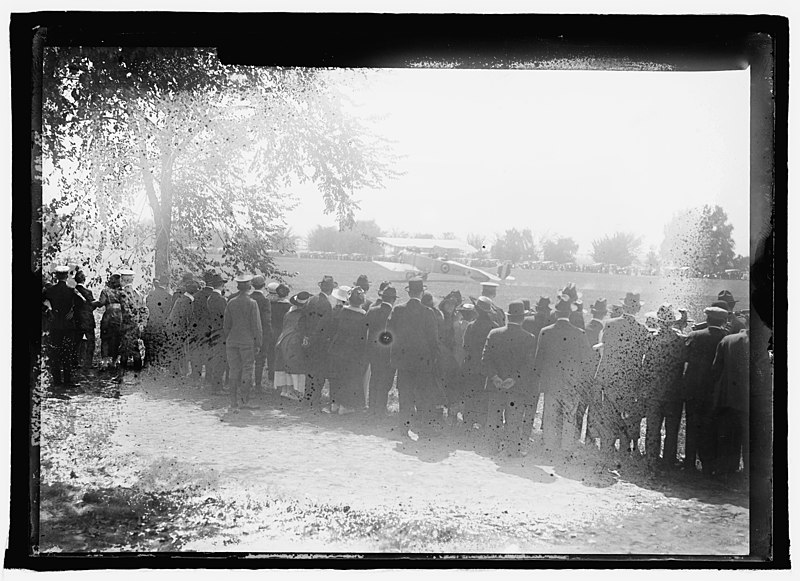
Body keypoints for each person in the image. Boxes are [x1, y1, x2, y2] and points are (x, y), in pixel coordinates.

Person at [532, 297, 595, 454]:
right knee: (569, 417)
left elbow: (539, 359)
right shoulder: (579, 333)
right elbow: (587, 360)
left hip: (551, 383)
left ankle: (548, 446)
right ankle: (566, 448)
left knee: (550, 416)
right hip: (571, 384)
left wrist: (539, 378)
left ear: (556, 312)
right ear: (570, 313)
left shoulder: (545, 332)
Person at [593, 292, 652, 455]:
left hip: (611, 376)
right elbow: (642, 355)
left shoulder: (610, 324)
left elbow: (604, 351)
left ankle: (607, 447)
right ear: (638, 309)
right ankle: (625, 449)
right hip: (630, 379)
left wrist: (600, 376)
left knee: (609, 412)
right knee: (626, 414)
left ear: (624, 307)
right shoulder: (642, 329)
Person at [387, 277, 444, 436]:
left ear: (409, 291)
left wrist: (394, 356)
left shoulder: (398, 310)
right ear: (422, 292)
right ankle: (423, 429)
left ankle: (403, 429)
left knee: (405, 397)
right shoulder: (428, 312)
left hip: (403, 363)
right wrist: (434, 359)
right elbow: (434, 341)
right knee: (423, 397)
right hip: (423, 364)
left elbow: (389, 335)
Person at [482, 301, 537, 456]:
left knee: (494, 418)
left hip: (495, 385)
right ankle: (512, 450)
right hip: (516, 388)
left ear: (507, 316)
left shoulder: (494, 333)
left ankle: (492, 448)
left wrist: (494, 377)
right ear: (522, 318)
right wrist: (514, 379)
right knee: (514, 420)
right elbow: (528, 365)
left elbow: (485, 359)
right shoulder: (529, 338)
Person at [682, 304, 730, 474]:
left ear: (707, 319)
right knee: (710, 428)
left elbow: (684, 358)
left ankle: (688, 462)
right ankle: (708, 464)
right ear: (724, 321)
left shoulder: (695, 335)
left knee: (692, 425)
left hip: (693, 389)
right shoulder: (726, 338)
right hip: (714, 392)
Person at [641, 304, 687, 467]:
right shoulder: (681, 340)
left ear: (659, 321)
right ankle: (668, 460)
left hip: (654, 390)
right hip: (674, 391)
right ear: (673, 322)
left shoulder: (651, 338)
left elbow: (646, 365)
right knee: (672, 429)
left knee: (653, 428)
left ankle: (651, 458)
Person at [711, 325, 749, 480]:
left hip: (727, 397)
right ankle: (748, 473)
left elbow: (715, 369)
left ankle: (724, 470)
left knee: (726, 435)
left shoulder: (727, 340)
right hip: (749, 398)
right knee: (749, 437)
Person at [223, 275, 263, 411]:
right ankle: (244, 401)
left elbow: (226, 325)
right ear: (249, 287)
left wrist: (230, 338)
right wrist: (258, 343)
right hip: (247, 342)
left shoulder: (231, 302)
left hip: (232, 341)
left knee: (234, 370)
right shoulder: (252, 303)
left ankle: (233, 402)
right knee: (247, 370)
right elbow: (256, 326)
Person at [461, 296, 499, 434]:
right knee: (485, 398)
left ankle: (467, 425)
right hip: (488, 369)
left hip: (472, 367)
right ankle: (483, 425)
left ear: (476, 310)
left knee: (470, 397)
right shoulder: (494, 327)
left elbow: (465, 346)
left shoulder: (471, 326)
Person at [328, 287, 369, 415]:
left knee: (336, 377)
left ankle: (335, 403)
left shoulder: (340, 312)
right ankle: (346, 405)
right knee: (350, 378)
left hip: (337, 348)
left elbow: (333, 329)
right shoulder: (363, 317)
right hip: (353, 352)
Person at [300, 275, 336, 411]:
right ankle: (315, 401)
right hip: (320, 344)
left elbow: (302, 320)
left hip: (308, 341)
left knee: (309, 371)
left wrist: (305, 337)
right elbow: (323, 326)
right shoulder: (326, 304)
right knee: (319, 373)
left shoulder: (310, 300)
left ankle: (307, 399)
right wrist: (314, 338)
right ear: (331, 289)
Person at [42, 265, 80, 386]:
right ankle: (67, 380)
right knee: (67, 352)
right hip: (68, 325)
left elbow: (40, 301)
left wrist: (48, 310)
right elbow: (82, 302)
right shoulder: (71, 290)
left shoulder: (50, 290)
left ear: (57, 276)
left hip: (55, 324)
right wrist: (73, 312)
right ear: (66, 275)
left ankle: (57, 380)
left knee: (55, 352)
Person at [365, 284, 397, 416]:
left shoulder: (372, 310)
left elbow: (365, 330)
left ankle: (372, 407)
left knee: (374, 378)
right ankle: (380, 408)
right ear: (393, 300)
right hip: (388, 353)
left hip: (373, 351)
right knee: (385, 381)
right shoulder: (394, 314)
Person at [274, 291, 311, 401]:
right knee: (296, 367)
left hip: (283, 339)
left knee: (284, 365)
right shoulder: (303, 315)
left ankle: (285, 390)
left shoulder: (289, 313)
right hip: (294, 341)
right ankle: (295, 391)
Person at [166, 279, 199, 379]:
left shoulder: (182, 298)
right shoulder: (187, 301)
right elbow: (187, 317)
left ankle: (175, 372)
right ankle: (179, 373)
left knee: (176, 349)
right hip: (177, 328)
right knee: (180, 350)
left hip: (172, 327)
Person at [188, 271, 216, 384]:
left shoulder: (196, 296)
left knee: (197, 354)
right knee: (209, 353)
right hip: (211, 329)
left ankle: (196, 377)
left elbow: (192, 314)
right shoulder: (216, 296)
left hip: (198, 329)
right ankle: (208, 377)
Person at [96, 273, 125, 371]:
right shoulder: (122, 292)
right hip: (119, 317)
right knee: (117, 339)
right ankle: (115, 361)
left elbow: (101, 303)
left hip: (108, 317)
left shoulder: (105, 291)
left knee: (105, 338)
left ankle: (104, 361)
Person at [249, 275, 274, 392]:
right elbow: (267, 320)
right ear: (264, 286)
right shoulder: (265, 301)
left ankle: (246, 383)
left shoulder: (248, 298)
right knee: (260, 361)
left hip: (248, 333)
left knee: (247, 360)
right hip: (262, 333)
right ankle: (258, 385)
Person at [118, 269, 146, 371]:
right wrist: (142, 323)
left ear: (122, 280)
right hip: (137, 326)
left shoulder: (122, 294)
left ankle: (121, 377)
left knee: (125, 350)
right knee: (135, 349)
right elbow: (144, 310)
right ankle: (137, 375)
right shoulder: (139, 294)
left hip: (127, 326)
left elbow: (126, 312)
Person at [205, 273, 228, 393]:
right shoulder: (221, 300)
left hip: (213, 331)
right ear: (222, 285)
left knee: (216, 359)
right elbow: (226, 317)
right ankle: (217, 387)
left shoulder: (210, 298)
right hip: (221, 332)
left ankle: (216, 386)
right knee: (221, 360)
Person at [144, 275, 172, 368]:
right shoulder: (168, 296)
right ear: (167, 284)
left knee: (150, 347)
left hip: (151, 323)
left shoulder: (150, 295)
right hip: (162, 325)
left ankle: (148, 367)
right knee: (160, 347)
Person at [267, 283, 292, 386]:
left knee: (271, 354)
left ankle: (270, 373)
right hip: (283, 332)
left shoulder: (271, 305)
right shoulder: (289, 307)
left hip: (272, 331)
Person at [73, 269, 97, 370]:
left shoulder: (72, 291)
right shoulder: (88, 292)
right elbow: (92, 305)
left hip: (76, 319)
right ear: (84, 279)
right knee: (91, 342)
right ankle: (88, 363)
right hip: (87, 320)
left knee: (76, 342)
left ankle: (74, 363)